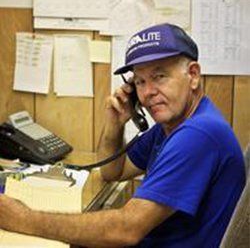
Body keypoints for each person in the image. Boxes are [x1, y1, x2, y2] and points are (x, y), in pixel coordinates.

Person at [0, 23, 246, 248]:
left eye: (159, 76)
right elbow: (113, 172)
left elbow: (126, 229)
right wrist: (115, 123)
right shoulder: (172, 126)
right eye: (139, 81)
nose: (148, 92)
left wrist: (24, 218)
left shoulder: (198, 135)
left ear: (192, 75)